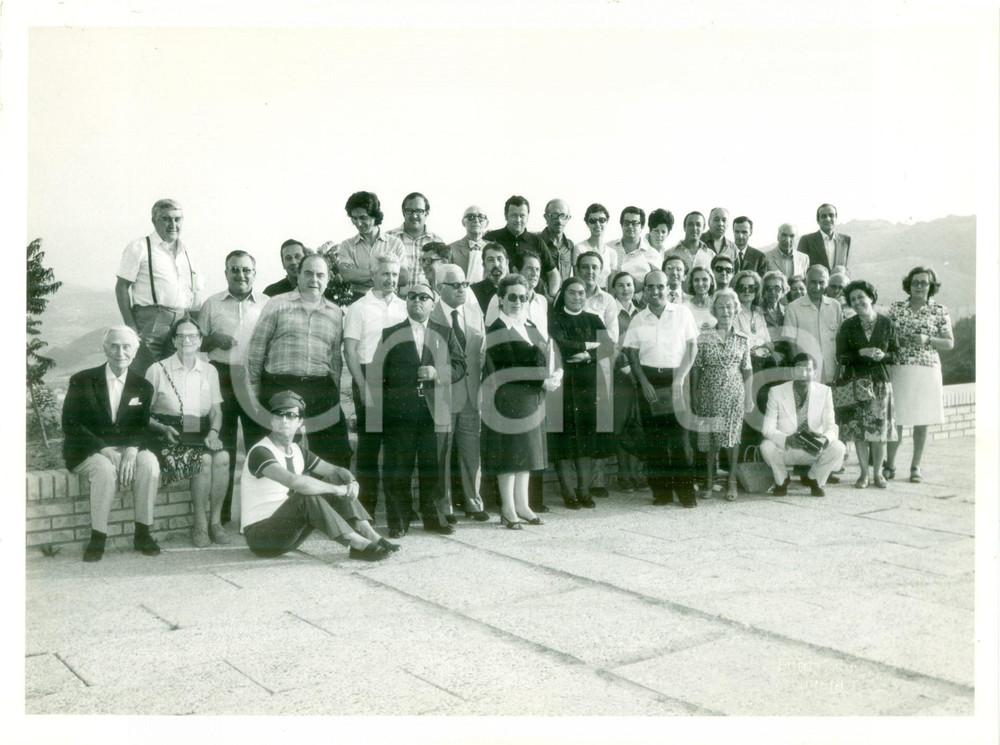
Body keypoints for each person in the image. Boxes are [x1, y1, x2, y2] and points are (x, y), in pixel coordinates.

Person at [240, 391, 397, 562]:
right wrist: (338, 491)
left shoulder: (298, 450)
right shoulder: (260, 451)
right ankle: (357, 543)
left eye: (291, 415)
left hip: (289, 534)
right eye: (278, 415)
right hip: (261, 537)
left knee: (334, 480)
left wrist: (352, 482)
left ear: (299, 422)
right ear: (271, 420)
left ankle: (369, 534)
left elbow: (337, 471)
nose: (284, 420)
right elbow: (295, 482)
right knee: (304, 495)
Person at [370, 282, 467, 538]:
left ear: (432, 304)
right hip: (400, 414)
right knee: (398, 467)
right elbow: (379, 374)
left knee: (433, 466)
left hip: (435, 412)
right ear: (406, 302)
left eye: (424, 297)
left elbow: (460, 365)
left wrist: (438, 372)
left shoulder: (445, 333)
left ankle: (434, 518)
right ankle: (398, 521)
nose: (418, 301)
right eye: (412, 296)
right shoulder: (390, 333)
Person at [62, 326, 162, 562]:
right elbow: (70, 423)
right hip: (89, 449)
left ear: (135, 352)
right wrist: (103, 448)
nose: (120, 352)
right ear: (105, 348)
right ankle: (98, 536)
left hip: (124, 447)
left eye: (127, 346)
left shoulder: (143, 386)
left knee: (149, 463)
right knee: (105, 469)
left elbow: (141, 425)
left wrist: (132, 448)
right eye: (114, 345)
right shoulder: (82, 380)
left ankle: (143, 532)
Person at [247, 254, 351, 467]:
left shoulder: (335, 313)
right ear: (299, 276)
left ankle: (328, 499)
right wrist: (256, 391)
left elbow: (334, 359)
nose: (314, 279)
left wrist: (334, 393)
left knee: (336, 451)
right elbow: (257, 350)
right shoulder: (277, 304)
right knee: (281, 452)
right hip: (281, 384)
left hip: (320, 386)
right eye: (308, 273)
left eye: (320, 275)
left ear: (328, 279)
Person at [481, 274, 562, 529]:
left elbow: (548, 353)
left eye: (522, 297)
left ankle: (523, 504)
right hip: (508, 400)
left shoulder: (529, 326)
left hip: (532, 400)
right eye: (512, 297)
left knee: (525, 455)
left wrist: (557, 372)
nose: (517, 301)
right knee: (510, 455)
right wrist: (541, 382)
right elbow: (507, 368)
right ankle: (507, 508)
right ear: (501, 300)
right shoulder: (495, 329)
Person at [145, 316, 229, 547]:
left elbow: (216, 411)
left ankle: (215, 523)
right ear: (173, 341)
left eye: (192, 336)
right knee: (202, 459)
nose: (186, 340)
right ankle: (200, 525)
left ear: (200, 341)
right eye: (180, 336)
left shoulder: (209, 371)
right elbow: (143, 413)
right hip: (166, 430)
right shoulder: (157, 370)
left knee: (222, 457)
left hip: (196, 428)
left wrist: (213, 432)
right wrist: (162, 428)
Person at [198, 249, 269, 524]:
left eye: (246, 269)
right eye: (234, 269)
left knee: (257, 445)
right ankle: (222, 516)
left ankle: (258, 514)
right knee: (223, 446)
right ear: (226, 272)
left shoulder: (266, 303)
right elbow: (197, 343)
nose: (241, 274)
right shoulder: (212, 304)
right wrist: (213, 338)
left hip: (253, 377)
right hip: (221, 376)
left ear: (254, 273)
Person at [623, 270, 699, 508]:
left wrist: (679, 380)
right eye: (650, 287)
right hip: (649, 381)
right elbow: (632, 355)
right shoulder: (638, 319)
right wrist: (644, 383)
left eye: (660, 286)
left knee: (680, 440)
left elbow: (692, 348)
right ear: (644, 291)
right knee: (654, 441)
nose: (655, 292)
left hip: (677, 379)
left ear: (669, 289)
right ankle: (662, 493)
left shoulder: (683, 313)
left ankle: (686, 493)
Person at [342, 255, 407, 518]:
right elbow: (350, 350)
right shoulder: (359, 307)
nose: (390, 279)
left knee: (398, 449)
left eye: (394, 274)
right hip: (370, 378)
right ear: (373, 275)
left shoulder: (405, 306)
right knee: (369, 449)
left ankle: (397, 512)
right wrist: (362, 385)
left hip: (400, 381)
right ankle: (365, 510)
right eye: (384, 274)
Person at [115, 198, 203, 375]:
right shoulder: (139, 247)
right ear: (154, 220)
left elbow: (196, 292)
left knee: (177, 375)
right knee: (143, 374)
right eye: (166, 219)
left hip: (182, 320)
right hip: (150, 320)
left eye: (177, 219)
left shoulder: (188, 252)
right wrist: (131, 326)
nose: (173, 224)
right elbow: (121, 287)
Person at [431, 264, 490, 522]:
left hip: (470, 394)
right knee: (441, 454)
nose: (461, 289)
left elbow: (480, 353)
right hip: (442, 396)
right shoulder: (430, 316)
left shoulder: (474, 312)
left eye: (464, 284)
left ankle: (473, 502)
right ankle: (444, 506)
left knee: (471, 452)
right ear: (438, 288)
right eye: (455, 285)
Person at [884, 267, 954, 483]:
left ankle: (916, 466)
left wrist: (928, 340)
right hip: (900, 368)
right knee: (897, 419)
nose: (919, 286)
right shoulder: (895, 308)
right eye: (915, 282)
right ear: (909, 284)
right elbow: (884, 336)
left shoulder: (940, 310)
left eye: (924, 283)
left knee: (922, 420)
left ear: (931, 286)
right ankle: (890, 464)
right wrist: (897, 342)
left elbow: (950, 343)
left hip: (926, 369)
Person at [548, 277, 613, 509]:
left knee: (585, 441)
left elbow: (608, 348)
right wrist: (589, 345)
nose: (577, 297)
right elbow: (561, 346)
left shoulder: (594, 319)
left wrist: (587, 354)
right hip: (563, 387)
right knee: (564, 442)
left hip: (587, 386)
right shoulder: (554, 319)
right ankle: (567, 491)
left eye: (581, 293)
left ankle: (584, 489)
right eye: (572, 292)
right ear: (563, 295)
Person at [835, 280, 899, 489]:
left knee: (879, 432)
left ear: (871, 297)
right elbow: (841, 357)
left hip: (880, 383)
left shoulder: (887, 323)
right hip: (857, 383)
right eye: (853, 299)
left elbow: (897, 354)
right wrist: (859, 353)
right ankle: (863, 474)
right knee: (859, 432)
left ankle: (878, 474)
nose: (857, 302)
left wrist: (884, 355)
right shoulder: (847, 326)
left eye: (861, 297)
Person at [691, 289, 753, 502]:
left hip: (735, 393)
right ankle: (709, 481)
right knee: (709, 440)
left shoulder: (743, 339)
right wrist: (694, 394)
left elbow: (747, 369)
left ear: (736, 309)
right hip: (708, 392)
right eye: (721, 306)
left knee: (732, 437)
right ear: (714, 309)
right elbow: (696, 368)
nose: (725, 311)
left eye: (729, 306)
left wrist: (749, 397)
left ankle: (732, 482)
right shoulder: (704, 336)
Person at [760, 353, 846, 497]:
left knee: (839, 447)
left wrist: (823, 441)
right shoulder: (776, 392)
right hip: (787, 448)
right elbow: (767, 429)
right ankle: (782, 480)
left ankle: (814, 479)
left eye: (808, 369)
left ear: (815, 373)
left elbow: (831, 427)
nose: (803, 374)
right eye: (799, 369)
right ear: (792, 372)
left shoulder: (825, 392)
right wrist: (787, 439)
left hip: (814, 450)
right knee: (766, 446)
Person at [484, 195, 560, 296]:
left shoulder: (537, 242)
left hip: (531, 298)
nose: (518, 220)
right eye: (514, 215)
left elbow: (553, 273)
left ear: (528, 216)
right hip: (499, 296)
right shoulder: (492, 238)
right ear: (506, 216)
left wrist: (552, 296)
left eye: (522, 216)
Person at [337, 191, 406, 301]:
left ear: (375, 216)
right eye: (354, 218)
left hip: (388, 300)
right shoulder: (347, 245)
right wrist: (386, 273)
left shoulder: (395, 243)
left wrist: (359, 274)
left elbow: (403, 278)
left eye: (363, 218)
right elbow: (347, 275)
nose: (358, 223)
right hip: (358, 300)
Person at [610, 271, 643, 492]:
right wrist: (630, 372)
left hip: (640, 374)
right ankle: (623, 473)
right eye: (620, 285)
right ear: (613, 289)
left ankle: (636, 472)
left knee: (638, 422)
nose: (625, 289)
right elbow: (613, 346)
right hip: (620, 375)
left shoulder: (640, 313)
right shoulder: (611, 311)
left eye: (629, 285)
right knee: (621, 423)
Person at [782, 265, 842, 385]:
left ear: (827, 283)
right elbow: (791, 344)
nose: (817, 287)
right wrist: (799, 372)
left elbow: (840, 338)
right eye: (813, 282)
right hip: (807, 373)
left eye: (821, 282)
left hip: (832, 371)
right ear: (806, 282)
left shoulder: (835, 306)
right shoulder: (793, 308)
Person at [485, 248, 549, 337]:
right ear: (515, 270)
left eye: (537, 269)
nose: (535, 274)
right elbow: (490, 335)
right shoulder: (499, 298)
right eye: (530, 269)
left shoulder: (542, 301)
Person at [387, 192, 446, 285]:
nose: (414, 215)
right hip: (393, 298)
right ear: (403, 212)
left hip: (426, 298)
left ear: (427, 213)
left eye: (419, 211)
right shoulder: (388, 238)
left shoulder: (437, 241)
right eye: (409, 211)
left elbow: (442, 276)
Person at [608, 206, 656, 291]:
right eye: (626, 223)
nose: (630, 226)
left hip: (640, 303)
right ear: (621, 225)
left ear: (642, 226)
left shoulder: (652, 254)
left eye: (634, 223)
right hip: (611, 301)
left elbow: (657, 283)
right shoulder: (609, 248)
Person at [798, 203, 851, 271]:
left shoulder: (845, 240)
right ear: (818, 220)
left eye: (831, 215)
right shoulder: (806, 240)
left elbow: (846, 268)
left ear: (836, 218)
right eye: (824, 216)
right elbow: (800, 268)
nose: (828, 219)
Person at [573, 203, 616, 286]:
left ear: (607, 222)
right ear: (587, 223)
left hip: (605, 296)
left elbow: (611, 287)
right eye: (592, 221)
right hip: (585, 294)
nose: (597, 224)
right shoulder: (579, 248)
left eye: (602, 220)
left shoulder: (612, 253)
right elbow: (577, 281)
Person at [537, 199, 577, 285]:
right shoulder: (536, 242)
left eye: (563, 216)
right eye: (554, 215)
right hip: (541, 296)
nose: (559, 221)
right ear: (546, 217)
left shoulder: (570, 246)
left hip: (564, 296)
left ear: (568, 218)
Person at [448, 205, 490, 283]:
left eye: (481, 217)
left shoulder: (494, 248)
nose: (476, 220)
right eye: (471, 217)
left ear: (487, 223)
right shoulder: (451, 249)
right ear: (463, 222)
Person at [470, 242, 508, 313]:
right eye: (490, 260)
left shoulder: (515, 289)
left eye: (499, 259)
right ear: (484, 265)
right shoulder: (473, 292)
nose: (496, 264)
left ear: (507, 263)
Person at [683, 265, 718, 332]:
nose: (700, 283)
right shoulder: (685, 307)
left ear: (711, 281)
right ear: (692, 283)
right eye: (696, 280)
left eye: (705, 279)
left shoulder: (717, 306)